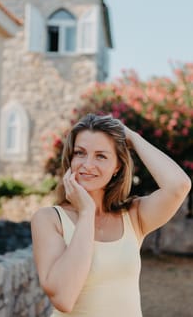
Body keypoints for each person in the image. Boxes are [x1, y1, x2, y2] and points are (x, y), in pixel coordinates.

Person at [31, 113, 191, 316]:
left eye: (101, 156)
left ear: (117, 166)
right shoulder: (49, 219)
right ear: (70, 159)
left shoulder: (134, 216)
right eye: (80, 153)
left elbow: (179, 185)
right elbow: (63, 297)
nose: (87, 165)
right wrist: (86, 212)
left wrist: (131, 136)